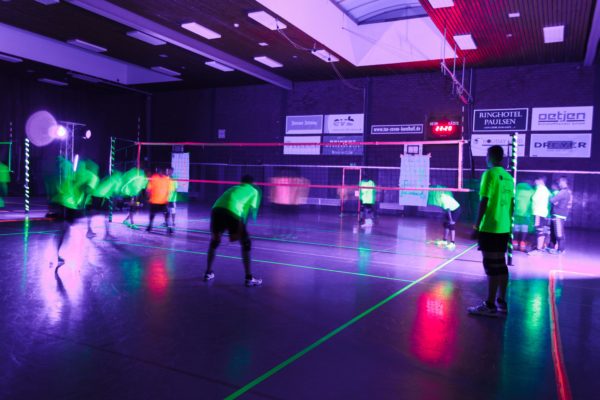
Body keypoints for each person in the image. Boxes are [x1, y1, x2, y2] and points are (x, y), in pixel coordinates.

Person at [468, 145, 514, 317]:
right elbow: (512, 204)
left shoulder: (489, 174)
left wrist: (476, 226)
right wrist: (508, 225)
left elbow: (484, 201)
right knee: (500, 264)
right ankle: (501, 302)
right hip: (503, 226)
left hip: (489, 226)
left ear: (491, 156)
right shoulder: (509, 177)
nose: (485, 158)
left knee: (490, 265)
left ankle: (489, 304)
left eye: (486, 155)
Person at [204, 175, 262, 287]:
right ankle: (249, 278)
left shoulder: (234, 187)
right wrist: (241, 229)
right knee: (246, 243)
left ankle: (208, 272)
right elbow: (247, 211)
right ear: (253, 183)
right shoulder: (253, 191)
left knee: (214, 241)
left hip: (216, 210)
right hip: (233, 211)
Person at [548, 177, 573, 254]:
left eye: (559, 182)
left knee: (559, 233)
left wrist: (552, 198)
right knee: (557, 232)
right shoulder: (567, 192)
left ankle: (561, 250)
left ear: (563, 182)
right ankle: (554, 248)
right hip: (560, 214)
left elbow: (552, 200)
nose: (558, 184)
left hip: (558, 215)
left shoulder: (563, 192)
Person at [528, 177, 551, 255]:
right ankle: (539, 248)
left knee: (539, 231)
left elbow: (534, 199)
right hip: (542, 213)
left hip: (538, 213)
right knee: (541, 230)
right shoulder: (545, 190)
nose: (534, 182)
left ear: (540, 181)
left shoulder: (541, 189)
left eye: (536, 180)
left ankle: (538, 250)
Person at [146, 168, 173, 234]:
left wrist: (168, 198)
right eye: (159, 171)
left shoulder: (167, 179)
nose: (160, 172)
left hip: (163, 201)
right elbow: (148, 189)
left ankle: (168, 228)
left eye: (161, 171)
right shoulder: (153, 178)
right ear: (157, 171)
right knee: (152, 214)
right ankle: (150, 225)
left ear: (163, 171)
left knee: (166, 214)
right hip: (154, 201)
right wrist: (148, 197)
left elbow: (170, 190)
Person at [513, 181, 534, 252]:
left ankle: (515, 242)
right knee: (524, 227)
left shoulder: (516, 190)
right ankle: (522, 242)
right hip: (526, 213)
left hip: (516, 212)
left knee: (516, 227)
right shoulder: (531, 191)